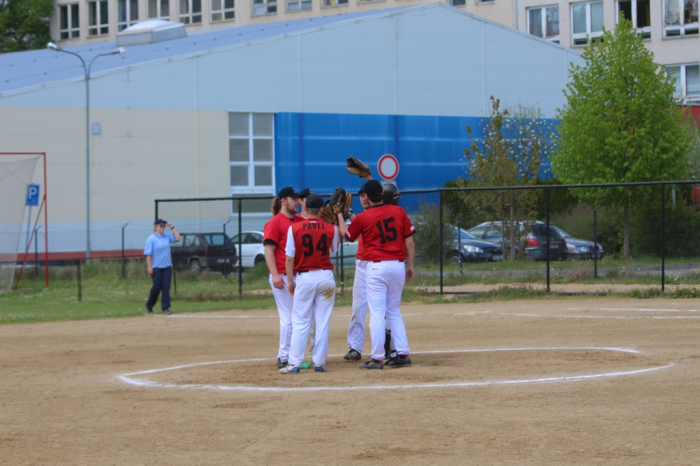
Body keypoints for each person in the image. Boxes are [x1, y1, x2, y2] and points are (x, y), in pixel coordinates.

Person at [337, 179, 415, 369]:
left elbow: (347, 235)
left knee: (377, 313)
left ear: (367, 197)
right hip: (398, 265)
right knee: (393, 311)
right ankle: (402, 354)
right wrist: (410, 265)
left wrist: (339, 214)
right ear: (382, 194)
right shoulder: (399, 211)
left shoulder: (364, 217)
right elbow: (409, 242)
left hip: (377, 267)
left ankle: (378, 358)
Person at [280, 194, 339, 374]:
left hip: (305, 278)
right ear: (322, 209)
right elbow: (334, 249)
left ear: (305, 208)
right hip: (326, 277)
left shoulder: (294, 228)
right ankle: (319, 362)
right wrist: (333, 224)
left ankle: (294, 363)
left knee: (300, 321)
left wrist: (290, 280)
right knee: (322, 322)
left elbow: (289, 258)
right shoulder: (331, 228)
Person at [263, 186, 304, 369]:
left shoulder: (299, 220)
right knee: (288, 316)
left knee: (298, 317)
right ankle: (284, 356)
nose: (297, 202)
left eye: (298, 199)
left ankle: (292, 354)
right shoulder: (275, 223)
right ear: (284, 201)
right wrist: (274, 275)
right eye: (293, 199)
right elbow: (268, 250)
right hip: (281, 275)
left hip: (297, 276)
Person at [144, 219, 181, 315]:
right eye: (161, 225)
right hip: (156, 267)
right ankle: (149, 305)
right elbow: (148, 254)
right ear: (156, 227)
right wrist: (149, 267)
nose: (163, 227)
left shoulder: (166, 237)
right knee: (156, 287)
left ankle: (165, 308)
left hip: (167, 266)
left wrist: (172, 228)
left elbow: (178, 238)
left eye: (164, 226)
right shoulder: (151, 238)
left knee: (166, 287)